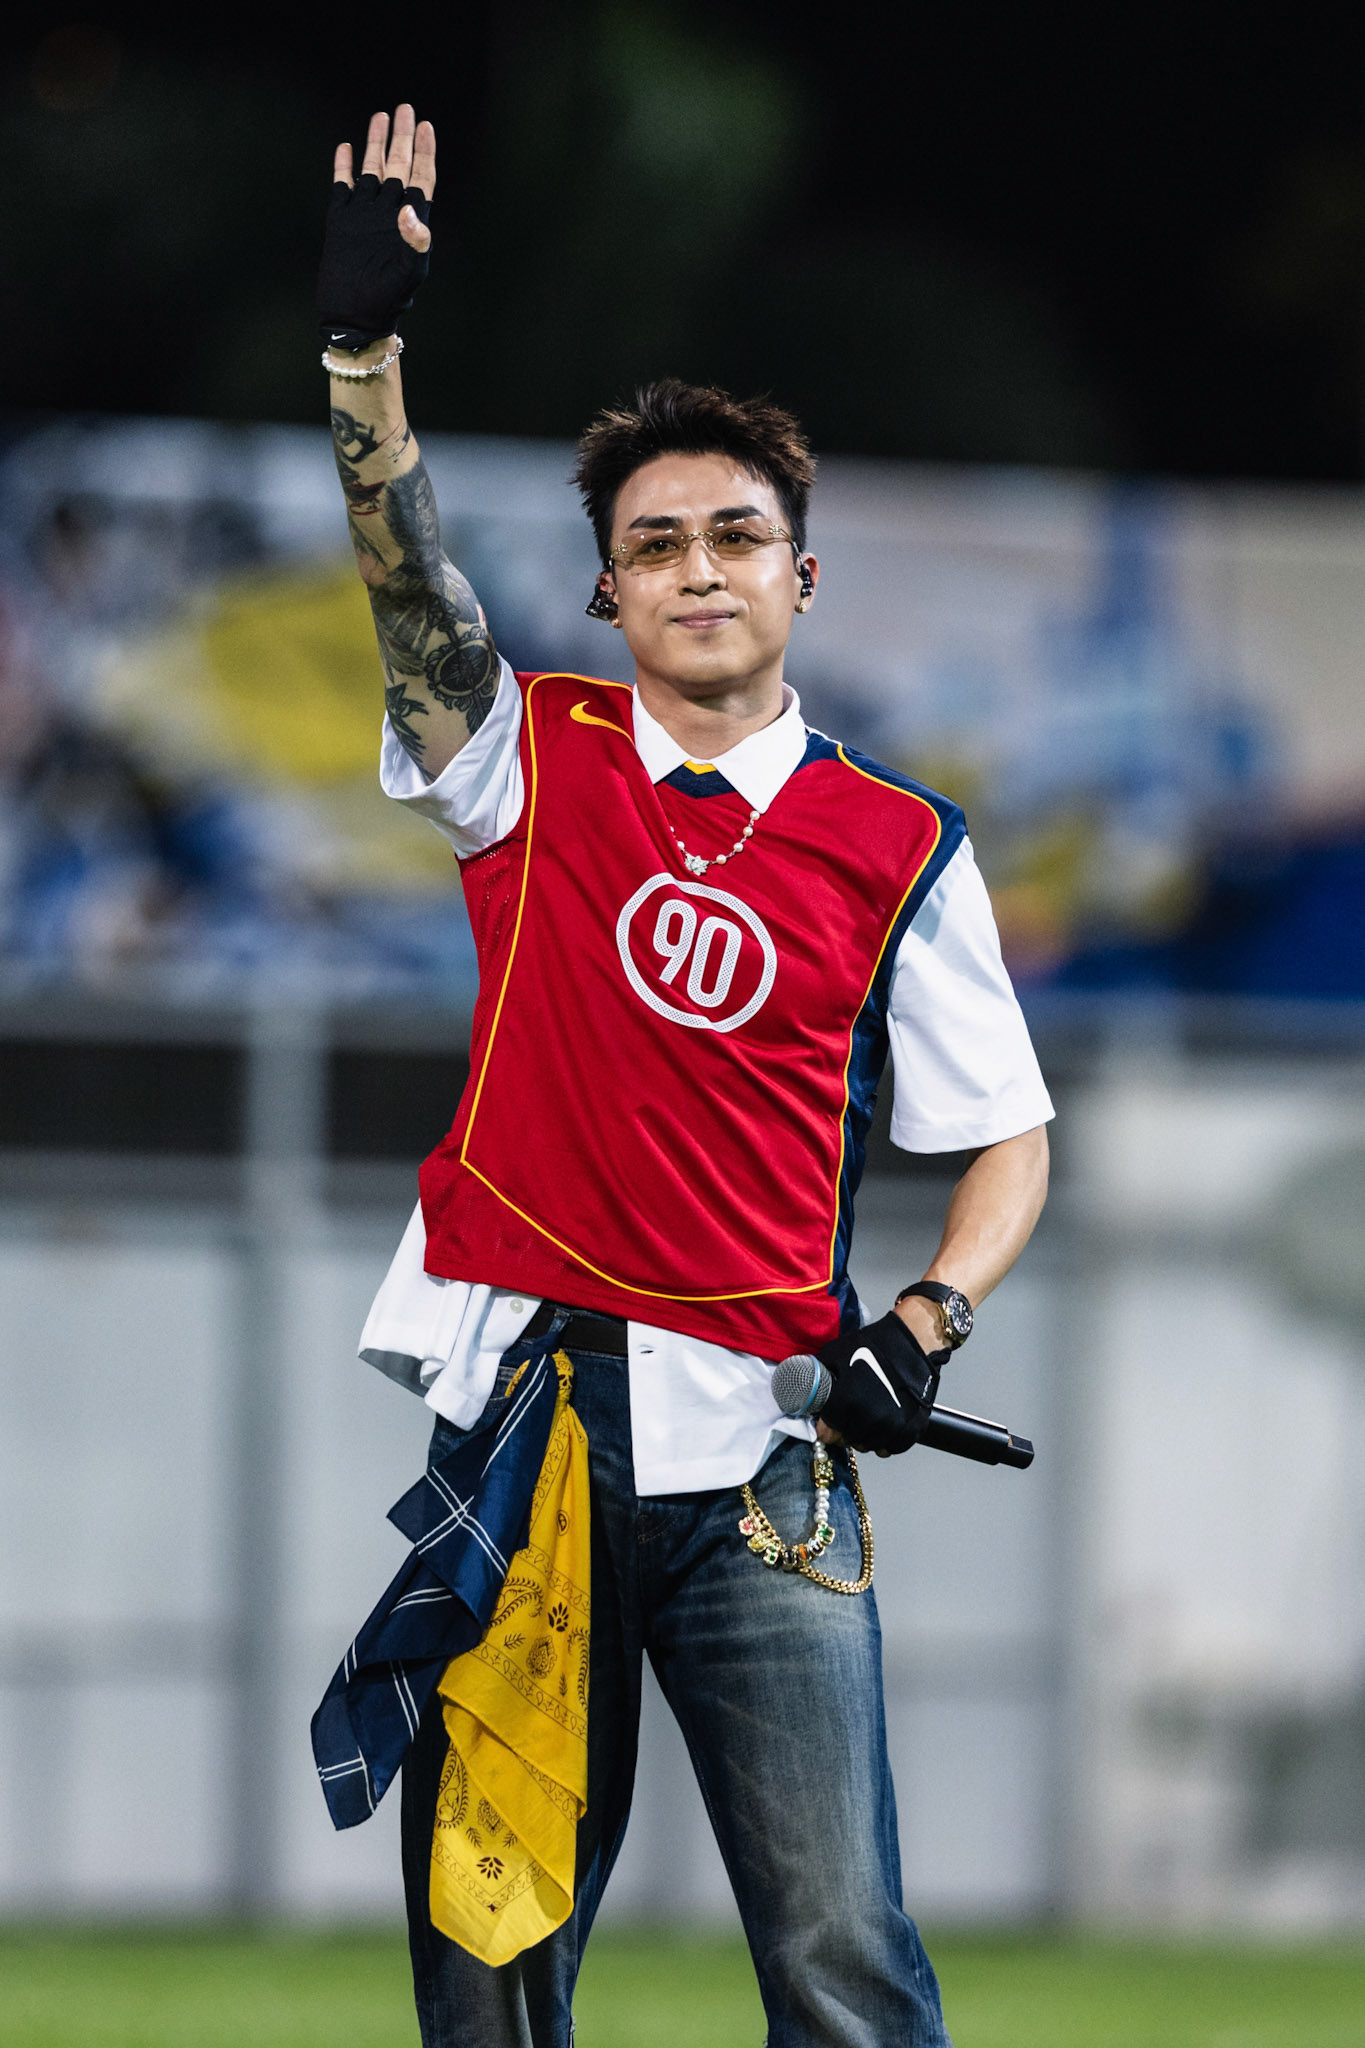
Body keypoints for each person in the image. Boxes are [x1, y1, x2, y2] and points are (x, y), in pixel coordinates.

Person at [321, 105, 1052, 2048]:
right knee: (489, 1956)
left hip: (767, 1459)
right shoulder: (522, 758)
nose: (696, 568)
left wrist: (924, 1322)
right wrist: (361, 362)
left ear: (801, 578)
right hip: (528, 1428)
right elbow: (408, 593)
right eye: (652, 545)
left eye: (734, 537)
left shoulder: (901, 843)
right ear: (607, 598)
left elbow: (1006, 1140)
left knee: (841, 1959)